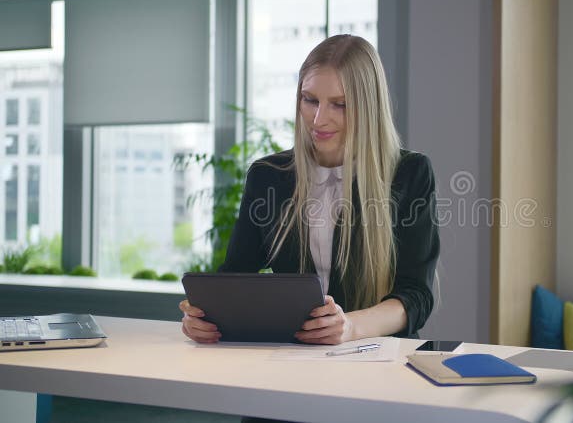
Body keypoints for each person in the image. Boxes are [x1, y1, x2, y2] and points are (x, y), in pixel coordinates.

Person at [179, 34, 440, 347]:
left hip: (380, 359)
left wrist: (350, 327)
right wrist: (205, 317)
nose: (319, 119)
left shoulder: (409, 174)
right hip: (295, 359)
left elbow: (416, 296)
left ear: (368, 107)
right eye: (310, 100)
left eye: (340, 105)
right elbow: (236, 277)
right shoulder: (268, 177)